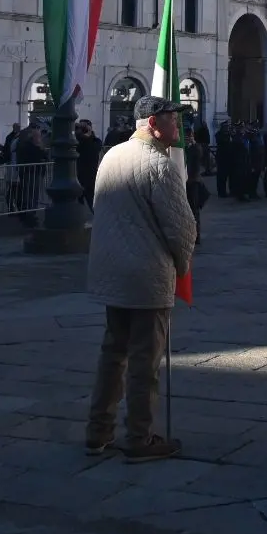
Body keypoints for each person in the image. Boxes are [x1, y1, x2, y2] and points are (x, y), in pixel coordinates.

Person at [85, 95, 197, 463]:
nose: (177, 126)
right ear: (152, 123)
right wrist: (182, 266)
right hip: (146, 275)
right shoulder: (159, 165)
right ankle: (138, 436)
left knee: (112, 355)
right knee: (144, 362)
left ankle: (97, 432)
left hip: (112, 271)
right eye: (172, 119)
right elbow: (180, 227)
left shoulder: (111, 156)